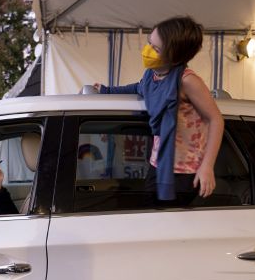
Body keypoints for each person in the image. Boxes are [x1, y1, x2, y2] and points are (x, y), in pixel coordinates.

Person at [95, 16, 224, 205]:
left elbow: (216, 120)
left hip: (184, 172)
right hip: (159, 162)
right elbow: (138, 87)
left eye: (156, 49)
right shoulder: (152, 75)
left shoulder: (187, 81)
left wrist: (207, 167)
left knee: (164, 223)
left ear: (175, 56)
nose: (147, 51)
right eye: (149, 43)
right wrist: (107, 90)